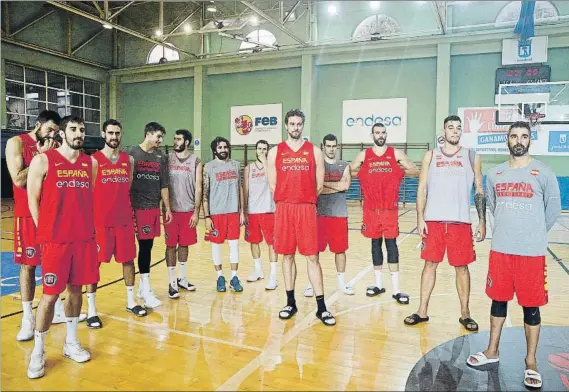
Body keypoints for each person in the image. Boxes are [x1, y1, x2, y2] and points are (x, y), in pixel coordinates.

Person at [467, 121, 561, 389]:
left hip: (531, 253)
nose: (518, 140)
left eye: (523, 136)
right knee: (498, 301)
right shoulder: (495, 174)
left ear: (529, 140)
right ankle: (492, 351)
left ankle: (530, 361)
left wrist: (532, 233)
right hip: (501, 250)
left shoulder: (543, 172)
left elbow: (552, 210)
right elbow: (494, 207)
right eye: (513, 136)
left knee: (531, 306)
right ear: (507, 140)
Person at [26, 116, 100, 378]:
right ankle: (39, 349)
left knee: (76, 291)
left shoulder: (90, 163)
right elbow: (32, 198)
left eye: (82, 129)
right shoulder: (43, 160)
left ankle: (71, 341)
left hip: (82, 239)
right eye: (73, 129)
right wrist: (43, 230)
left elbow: (86, 197)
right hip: (55, 241)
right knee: (49, 296)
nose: (79, 133)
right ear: (62, 133)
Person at [5, 110, 85, 341]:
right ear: (37, 124)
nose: (52, 134)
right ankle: (27, 318)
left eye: (56, 131)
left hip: (56, 217)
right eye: (49, 129)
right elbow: (18, 180)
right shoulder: (17, 142)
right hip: (28, 215)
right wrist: (43, 157)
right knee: (29, 266)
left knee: (58, 266)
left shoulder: (58, 146)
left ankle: (58, 309)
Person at [404, 115, 486, 331]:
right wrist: (420, 217)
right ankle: (422, 311)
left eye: (459, 128)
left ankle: (465, 314)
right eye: (451, 127)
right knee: (429, 265)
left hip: (461, 222)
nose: (455, 131)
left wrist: (482, 221)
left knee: (462, 268)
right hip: (434, 221)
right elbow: (422, 188)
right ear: (444, 130)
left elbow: (479, 189)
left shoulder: (471, 156)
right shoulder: (430, 156)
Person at [267, 109, 336, 326]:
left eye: (299, 124)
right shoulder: (274, 152)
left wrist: (303, 199)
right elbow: (272, 185)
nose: (295, 127)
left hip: (306, 209)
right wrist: (288, 198)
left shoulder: (314, 152)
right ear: (286, 126)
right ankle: (290, 302)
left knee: (312, 257)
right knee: (286, 256)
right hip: (284, 209)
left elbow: (318, 185)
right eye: (292, 124)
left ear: (302, 126)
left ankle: (322, 307)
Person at [85, 119, 148, 329]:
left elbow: (127, 187)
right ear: (103, 134)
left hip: (124, 222)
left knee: (128, 261)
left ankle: (131, 302)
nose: (114, 137)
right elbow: (89, 192)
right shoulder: (93, 161)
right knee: (94, 265)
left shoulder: (128, 160)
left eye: (117, 133)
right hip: (101, 223)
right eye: (110, 133)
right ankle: (91, 310)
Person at [350, 123, 419, 302]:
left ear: (386, 134)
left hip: (389, 209)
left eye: (383, 132)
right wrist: (360, 175)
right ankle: (379, 285)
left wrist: (398, 171)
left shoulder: (395, 154)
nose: (380, 135)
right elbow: (349, 171)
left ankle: (396, 290)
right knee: (375, 245)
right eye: (377, 133)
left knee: (391, 245)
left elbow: (414, 170)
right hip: (371, 209)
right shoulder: (364, 155)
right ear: (372, 135)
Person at [128, 122, 172, 308]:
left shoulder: (160, 158)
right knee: (141, 249)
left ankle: (142, 288)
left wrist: (167, 208)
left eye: (161, 137)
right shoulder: (131, 154)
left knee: (148, 247)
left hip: (153, 207)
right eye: (158, 136)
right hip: (137, 207)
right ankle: (145, 291)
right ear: (147, 134)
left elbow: (163, 184)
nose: (160, 141)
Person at [309, 134, 353, 295]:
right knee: (314, 251)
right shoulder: (317, 166)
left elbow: (345, 186)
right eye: (328, 146)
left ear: (337, 147)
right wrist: (337, 186)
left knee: (340, 250)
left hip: (339, 215)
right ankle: (311, 284)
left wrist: (323, 185)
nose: (331, 149)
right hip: (319, 215)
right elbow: (316, 189)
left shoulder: (344, 165)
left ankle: (341, 283)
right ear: (323, 147)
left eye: (334, 146)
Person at [202, 137, 245, 293]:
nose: (223, 149)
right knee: (216, 246)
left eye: (225, 147)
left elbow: (240, 189)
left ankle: (234, 277)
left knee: (234, 245)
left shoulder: (235, 165)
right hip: (216, 214)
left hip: (233, 212)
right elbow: (204, 194)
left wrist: (242, 211)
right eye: (220, 147)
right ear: (215, 150)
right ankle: (220, 276)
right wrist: (207, 216)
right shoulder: (208, 167)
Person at [164, 129, 202, 299]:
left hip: (188, 211)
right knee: (171, 246)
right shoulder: (167, 159)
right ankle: (172, 283)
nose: (175, 141)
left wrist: (196, 212)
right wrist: (165, 207)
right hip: (171, 211)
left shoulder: (196, 161)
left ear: (186, 142)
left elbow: (199, 187)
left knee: (184, 245)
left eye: (178, 139)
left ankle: (182, 279)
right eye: (174, 138)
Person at [243, 140, 278, 290]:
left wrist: (265, 162)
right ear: (255, 150)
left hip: (268, 210)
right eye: (259, 149)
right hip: (252, 211)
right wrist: (243, 210)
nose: (262, 151)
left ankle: (273, 276)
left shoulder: (271, 167)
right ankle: (258, 270)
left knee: (272, 243)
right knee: (254, 241)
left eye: (265, 149)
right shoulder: (248, 168)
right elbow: (245, 190)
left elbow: (275, 181)